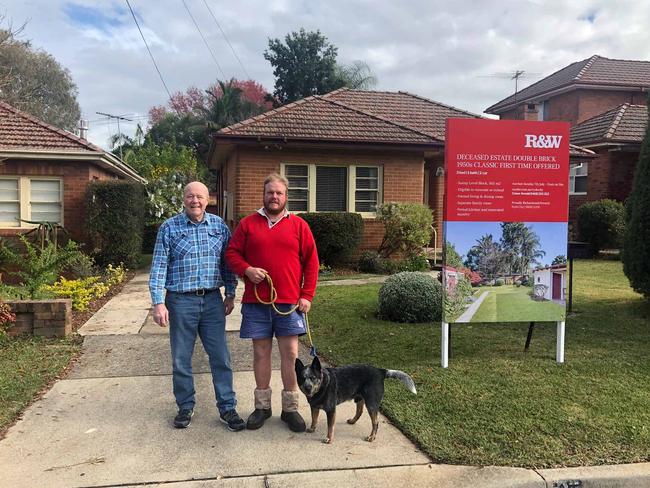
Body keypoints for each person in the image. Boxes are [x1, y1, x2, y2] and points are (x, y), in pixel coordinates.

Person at [225, 173, 319, 432]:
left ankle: (290, 409)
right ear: (263, 195)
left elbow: (311, 262)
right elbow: (231, 254)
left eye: (279, 193)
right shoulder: (248, 224)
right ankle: (262, 407)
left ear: (286, 196)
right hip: (256, 303)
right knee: (261, 353)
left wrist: (307, 295)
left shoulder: (299, 225)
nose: (274, 197)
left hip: (289, 304)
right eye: (270, 193)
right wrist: (246, 270)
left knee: (290, 355)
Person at [149, 181, 245, 431]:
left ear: (208, 200)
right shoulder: (169, 228)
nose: (195, 201)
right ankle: (185, 406)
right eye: (190, 196)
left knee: (221, 357)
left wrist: (231, 293)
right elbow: (158, 267)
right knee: (181, 359)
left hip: (213, 301)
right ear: (184, 199)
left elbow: (227, 263)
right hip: (180, 301)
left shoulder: (219, 226)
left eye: (200, 197)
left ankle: (227, 407)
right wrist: (158, 303)